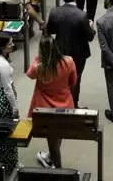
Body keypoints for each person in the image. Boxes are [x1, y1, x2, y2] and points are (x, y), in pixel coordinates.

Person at [26, 34, 78, 169]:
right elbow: (73, 82)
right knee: (58, 134)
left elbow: (29, 74)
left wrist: (38, 59)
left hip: (45, 110)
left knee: (52, 139)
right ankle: (50, 157)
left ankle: (58, 170)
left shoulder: (39, 67)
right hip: (65, 106)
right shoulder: (69, 62)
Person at [45, 0, 95, 106]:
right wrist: (91, 26)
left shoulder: (55, 11)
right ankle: (73, 105)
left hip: (59, 50)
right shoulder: (82, 15)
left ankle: (59, 103)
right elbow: (90, 37)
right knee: (75, 80)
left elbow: (50, 30)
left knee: (59, 78)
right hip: (78, 53)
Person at [0, 34, 20, 171]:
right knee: (9, 133)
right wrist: (15, 107)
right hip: (4, 100)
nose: (12, 45)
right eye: (9, 44)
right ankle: (11, 164)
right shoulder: (3, 65)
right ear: (1, 47)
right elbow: (8, 89)